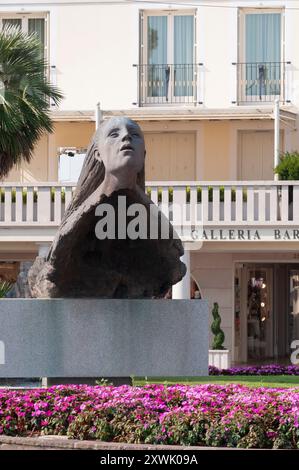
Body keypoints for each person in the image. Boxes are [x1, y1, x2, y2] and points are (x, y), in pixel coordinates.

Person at [28, 117, 186, 298]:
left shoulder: (151, 221)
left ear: (143, 155)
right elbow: (56, 274)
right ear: (97, 154)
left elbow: (171, 264)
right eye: (114, 134)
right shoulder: (77, 224)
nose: (126, 137)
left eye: (134, 134)